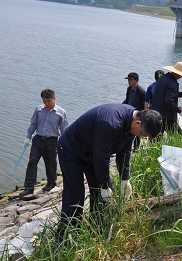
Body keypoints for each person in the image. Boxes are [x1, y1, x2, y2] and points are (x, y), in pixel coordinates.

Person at [56, 105, 162, 240]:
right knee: (76, 194)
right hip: (71, 149)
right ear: (137, 123)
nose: (140, 137)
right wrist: (105, 185)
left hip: (92, 152)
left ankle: (96, 230)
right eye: (142, 135)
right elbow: (102, 158)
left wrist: (125, 179)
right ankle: (66, 237)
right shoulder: (109, 123)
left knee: (100, 193)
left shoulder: (131, 123)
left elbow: (125, 152)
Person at [19, 89, 68, 197]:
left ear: (54, 98)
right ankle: (29, 188)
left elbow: (64, 129)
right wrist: (28, 137)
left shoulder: (61, 112)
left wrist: (64, 143)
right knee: (32, 161)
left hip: (52, 141)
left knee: (50, 163)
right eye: (44, 101)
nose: (46, 103)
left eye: (48, 101)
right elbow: (33, 124)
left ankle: (51, 183)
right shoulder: (38, 110)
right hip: (38, 140)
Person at [151, 61, 182, 133]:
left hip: (156, 112)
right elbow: (169, 100)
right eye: (181, 75)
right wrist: (180, 111)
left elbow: (166, 94)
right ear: (178, 74)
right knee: (178, 136)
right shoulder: (172, 84)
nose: (181, 77)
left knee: (156, 137)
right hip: (167, 116)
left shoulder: (163, 78)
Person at [122, 72, 146, 150]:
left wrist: (141, 114)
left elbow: (144, 104)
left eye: (130, 80)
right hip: (128, 113)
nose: (129, 81)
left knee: (137, 131)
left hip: (137, 113)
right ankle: (125, 146)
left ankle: (136, 147)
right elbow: (127, 100)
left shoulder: (141, 91)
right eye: (128, 80)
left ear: (136, 80)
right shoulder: (128, 89)